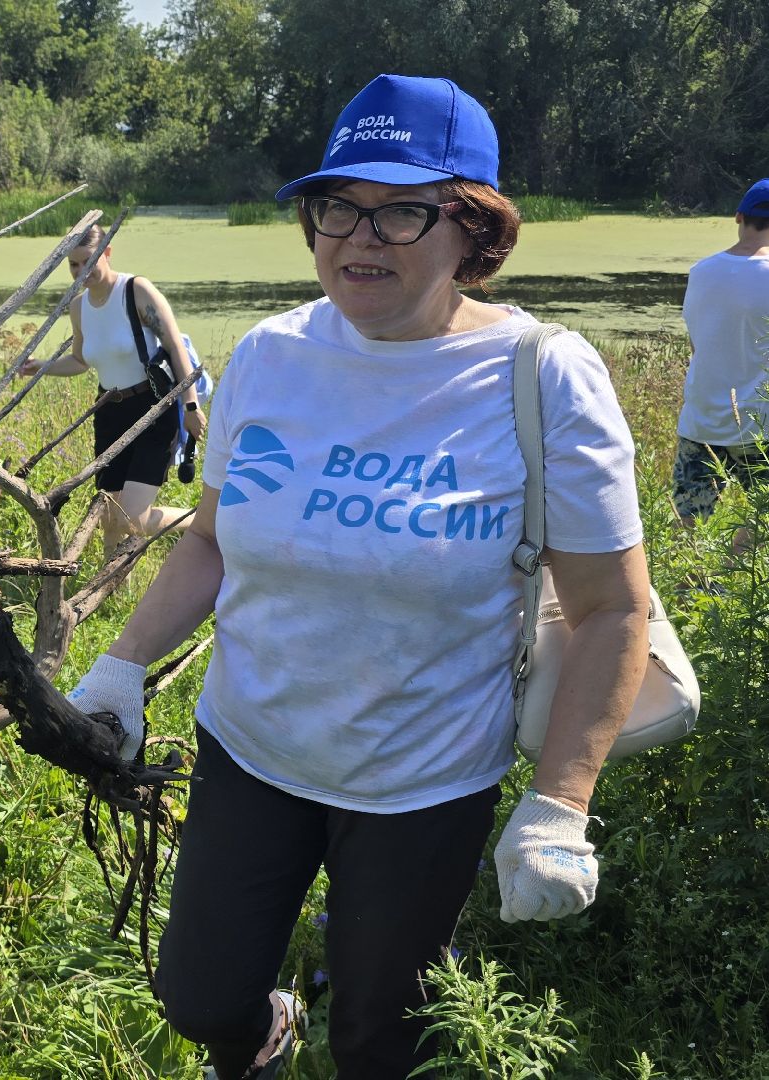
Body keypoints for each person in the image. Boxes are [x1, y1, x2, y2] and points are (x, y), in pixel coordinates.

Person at [67, 74, 650, 1078]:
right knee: (198, 996)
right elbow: (211, 538)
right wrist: (120, 666)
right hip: (251, 744)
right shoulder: (267, 354)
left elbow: (609, 609)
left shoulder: (543, 375)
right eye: (334, 206)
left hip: (422, 781)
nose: (357, 237)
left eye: (399, 211)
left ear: (470, 229)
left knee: (380, 1041)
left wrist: (557, 802)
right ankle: (261, 1035)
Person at [18, 223, 208, 553]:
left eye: (89, 260)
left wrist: (191, 407)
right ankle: (115, 597)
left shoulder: (136, 290)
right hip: (108, 413)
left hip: (153, 410)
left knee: (131, 520)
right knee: (109, 519)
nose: (82, 271)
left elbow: (175, 347)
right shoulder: (79, 307)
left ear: (107, 252)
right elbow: (80, 362)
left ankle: (205, 522)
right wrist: (42, 367)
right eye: (74, 265)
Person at [673, 177, 769, 557]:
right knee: (761, 521)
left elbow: (698, 344)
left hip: (701, 421)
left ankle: (686, 596)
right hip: (760, 429)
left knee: (688, 525)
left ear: (738, 217)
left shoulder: (701, 271)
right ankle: (731, 584)